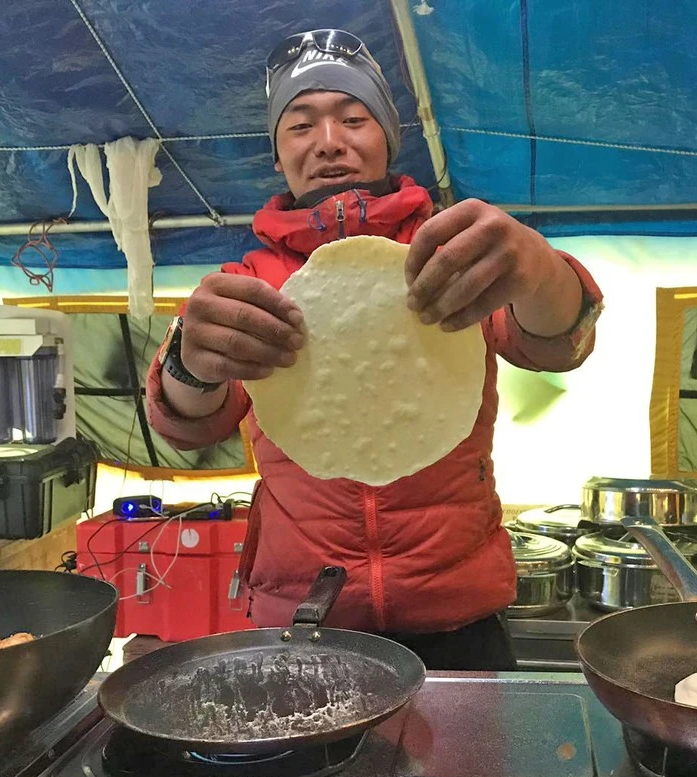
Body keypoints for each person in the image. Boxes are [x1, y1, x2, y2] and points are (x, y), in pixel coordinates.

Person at [146, 29, 602, 671]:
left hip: (458, 616)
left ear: (389, 135)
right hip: (305, 619)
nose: (329, 141)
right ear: (277, 153)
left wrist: (539, 268)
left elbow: (557, 342)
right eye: (300, 124)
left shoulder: (453, 253)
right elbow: (186, 423)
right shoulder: (245, 283)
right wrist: (189, 362)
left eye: (353, 118)